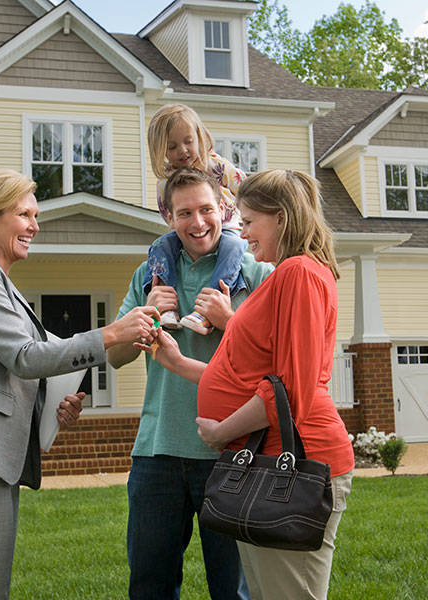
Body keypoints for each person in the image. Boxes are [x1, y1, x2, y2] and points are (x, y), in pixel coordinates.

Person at [0, 170, 160, 600]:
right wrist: (112, 332)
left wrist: (54, 404)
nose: (35, 225)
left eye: (36, 214)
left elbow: (33, 365)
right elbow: (25, 357)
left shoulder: (3, 284)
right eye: (24, 214)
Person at [146, 169, 355, 600]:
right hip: (270, 457)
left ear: (280, 218)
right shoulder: (286, 275)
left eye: (248, 221)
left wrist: (222, 433)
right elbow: (251, 379)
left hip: (295, 462)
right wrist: (179, 361)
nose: (241, 232)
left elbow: (288, 390)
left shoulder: (299, 273)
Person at [109, 167, 273, 600]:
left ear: (224, 207)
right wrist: (143, 314)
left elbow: (275, 364)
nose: (197, 222)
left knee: (233, 589)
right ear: (168, 216)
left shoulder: (256, 274)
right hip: (157, 452)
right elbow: (115, 356)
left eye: (206, 209)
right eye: (185, 213)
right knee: (149, 585)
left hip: (232, 451)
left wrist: (230, 322)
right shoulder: (150, 272)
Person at [144, 103, 248, 334]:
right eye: (172, 146)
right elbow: (167, 214)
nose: (183, 151)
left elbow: (244, 187)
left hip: (227, 226)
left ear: (199, 137)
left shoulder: (214, 165)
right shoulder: (166, 182)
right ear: (161, 149)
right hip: (186, 232)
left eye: (188, 141)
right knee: (160, 246)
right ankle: (166, 306)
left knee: (233, 246)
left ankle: (206, 309)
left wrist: (249, 219)